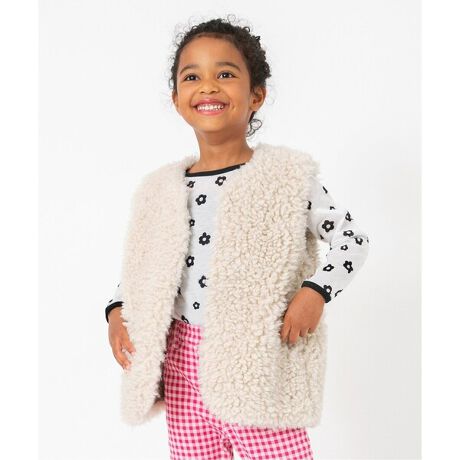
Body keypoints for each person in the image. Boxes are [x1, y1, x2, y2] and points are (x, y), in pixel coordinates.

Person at [106, 15, 370, 460]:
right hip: (180, 364)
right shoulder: (161, 188)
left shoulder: (286, 177)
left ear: (256, 95)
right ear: (176, 99)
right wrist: (117, 311)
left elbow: (351, 239)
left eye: (225, 74)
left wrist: (315, 292)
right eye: (192, 77)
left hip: (256, 362)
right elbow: (143, 265)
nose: (208, 87)